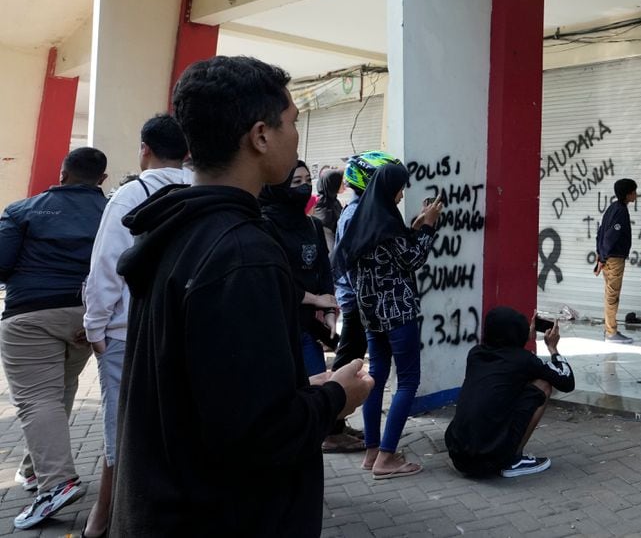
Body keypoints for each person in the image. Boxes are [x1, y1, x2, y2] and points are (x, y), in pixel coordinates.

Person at [110, 56, 373, 536]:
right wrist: (338, 395)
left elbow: (212, 394)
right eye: (292, 122)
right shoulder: (241, 252)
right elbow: (259, 436)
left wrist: (303, 389)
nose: (297, 137)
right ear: (260, 135)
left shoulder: (176, 230)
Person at [81, 115, 190, 538]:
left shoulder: (131, 195)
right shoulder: (197, 190)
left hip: (126, 333)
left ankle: (113, 516)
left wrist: (95, 327)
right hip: (182, 329)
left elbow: (106, 268)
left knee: (121, 427)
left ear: (144, 147)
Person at [0, 147, 107, 531]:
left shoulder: (23, 210)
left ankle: (58, 483)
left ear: (62, 174)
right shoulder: (111, 213)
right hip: (85, 315)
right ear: (102, 179)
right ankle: (33, 470)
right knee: (59, 388)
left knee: (37, 398)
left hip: (30, 316)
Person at [335, 162, 442, 478]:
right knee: (408, 380)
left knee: (375, 379)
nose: (400, 195)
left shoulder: (364, 219)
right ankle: (386, 458)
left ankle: (371, 452)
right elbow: (412, 259)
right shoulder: (385, 222)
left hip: (371, 314)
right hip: (398, 313)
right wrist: (429, 227)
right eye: (400, 189)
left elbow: (392, 254)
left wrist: (416, 225)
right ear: (388, 189)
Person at [444, 307, 575, 478]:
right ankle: (514, 459)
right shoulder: (523, 360)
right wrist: (553, 349)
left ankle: (496, 447)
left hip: (459, 456)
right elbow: (567, 382)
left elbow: (509, 358)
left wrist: (524, 338)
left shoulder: (475, 354)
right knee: (543, 385)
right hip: (488, 460)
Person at [325, 150, 399, 451]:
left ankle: (336, 422)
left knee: (353, 358)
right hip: (357, 299)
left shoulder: (360, 208)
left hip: (356, 296)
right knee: (349, 360)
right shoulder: (358, 213)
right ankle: (330, 429)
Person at [259, 161, 338, 380]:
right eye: (296, 182)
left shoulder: (313, 225)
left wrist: (330, 311)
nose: (304, 187)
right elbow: (273, 280)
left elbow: (324, 269)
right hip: (276, 330)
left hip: (307, 329)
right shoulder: (264, 226)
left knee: (319, 394)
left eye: (307, 181)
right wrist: (314, 299)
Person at [594, 178, 639, 343]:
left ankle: (609, 329)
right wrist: (604, 257)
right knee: (612, 295)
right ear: (628, 194)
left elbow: (600, 232)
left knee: (609, 294)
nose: (636, 195)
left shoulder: (612, 208)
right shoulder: (620, 211)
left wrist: (600, 255)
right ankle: (611, 333)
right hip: (614, 259)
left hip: (607, 257)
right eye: (634, 192)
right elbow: (610, 236)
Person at [310, 167, 344, 255]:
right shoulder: (321, 206)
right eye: (341, 182)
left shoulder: (333, 200)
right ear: (333, 184)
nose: (345, 184)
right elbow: (329, 247)